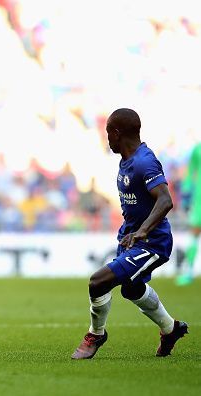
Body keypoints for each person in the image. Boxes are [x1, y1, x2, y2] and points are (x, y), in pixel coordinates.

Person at [71, 108, 188, 360]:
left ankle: (96, 334)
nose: (107, 140)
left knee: (98, 281)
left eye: (107, 134)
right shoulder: (127, 160)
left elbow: (165, 200)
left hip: (152, 243)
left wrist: (143, 230)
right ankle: (170, 329)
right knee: (132, 290)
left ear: (116, 132)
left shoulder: (144, 162)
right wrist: (132, 231)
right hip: (132, 237)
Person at [176, 141, 201, 286]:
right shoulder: (197, 149)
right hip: (199, 198)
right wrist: (185, 195)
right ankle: (189, 271)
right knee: (194, 233)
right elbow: (190, 171)